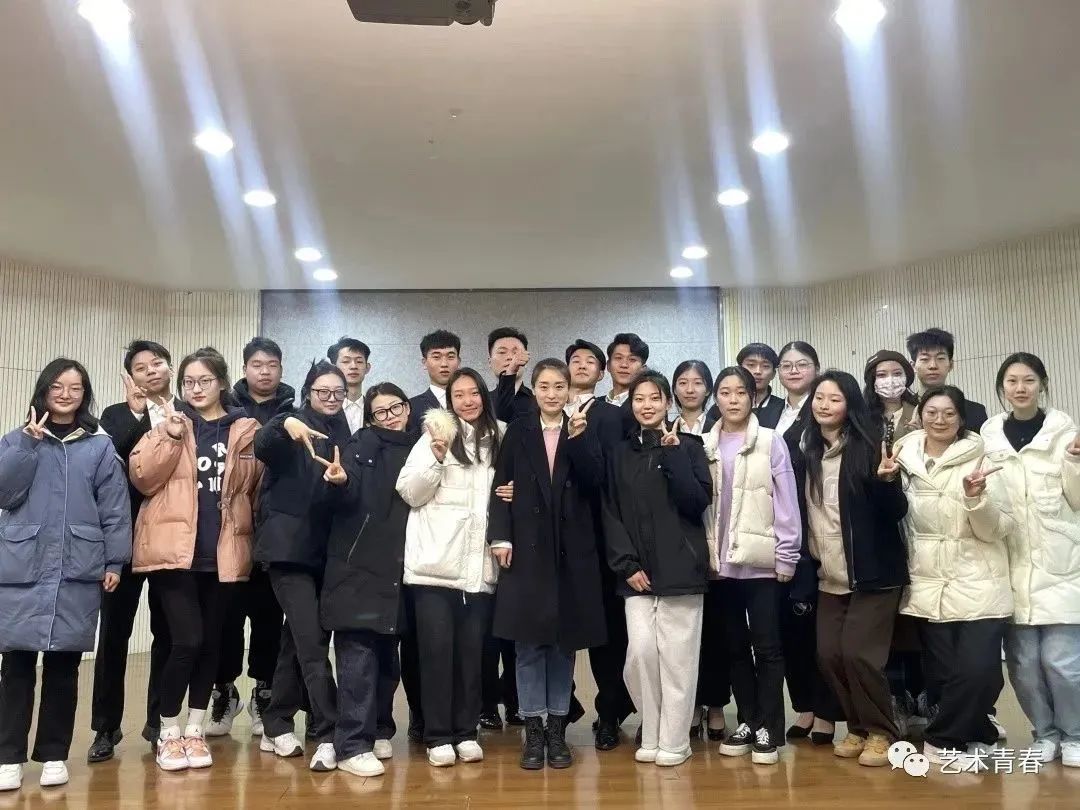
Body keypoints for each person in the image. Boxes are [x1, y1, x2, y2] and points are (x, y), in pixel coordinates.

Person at [129, 347, 263, 773]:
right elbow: (143, 478)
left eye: (204, 380)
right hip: (174, 555)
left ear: (221, 382)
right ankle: (168, 731)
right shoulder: (171, 424)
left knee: (210, 644)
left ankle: (195, 729)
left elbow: (255, 490)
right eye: (188, 382)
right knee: (185, 641)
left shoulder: (246, 430)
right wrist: (169, 436)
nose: (196, 388)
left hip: (223, 554)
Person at [0, 359, 131, 792]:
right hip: (24, 564)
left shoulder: (99, 445)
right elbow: (5, 493)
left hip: (78, 566)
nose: (65, 394)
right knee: (16, 665)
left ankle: (54, 753)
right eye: (57, 386)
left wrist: (114, 562)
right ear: (43, 389)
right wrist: (27, 445)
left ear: (85, 395)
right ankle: (7, 757)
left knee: (64, 665)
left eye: (75, 388)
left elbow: (115, 508)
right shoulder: (16, 440)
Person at [487, 359, 607, 770]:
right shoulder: (519, 429)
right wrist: (500, 536)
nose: (552, 394)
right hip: (527, 550)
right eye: (544, 386)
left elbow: (595, 482)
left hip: (572, 553)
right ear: (534, 390)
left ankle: (557, 728)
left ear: (570, 390)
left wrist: (579, 440)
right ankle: (533, 729)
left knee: (562, 646)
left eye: (559, 386)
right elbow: (500, 485)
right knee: (527, 645)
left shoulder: (582, 427)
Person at [790, 370, 908, 768]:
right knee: (828, 654)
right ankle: (858, 726)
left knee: (859, 654)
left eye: (835, 399)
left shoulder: (869, 447)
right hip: (830, 575)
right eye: (819, 398)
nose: (824, 405)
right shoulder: (807, 450)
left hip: (873, 574)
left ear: (850, 405)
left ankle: (882, 731)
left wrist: (887, 483)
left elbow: (896, 511)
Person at [892, 386, 1013, 766]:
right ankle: (978, 732)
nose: (940, 420)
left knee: (980, 670)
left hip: (979, 578)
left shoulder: (982, 458)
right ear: (919, 416)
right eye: (932, 412)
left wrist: (976, 498)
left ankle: (941, 740)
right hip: (929, 581)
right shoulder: (902, 458)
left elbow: (999, 528)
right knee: (942, 676)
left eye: (949, 413)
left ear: (961, 418)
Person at [396, 368, 505, 767]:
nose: (468, 401)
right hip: (435, 566)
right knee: (436, 654)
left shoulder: (501, 437)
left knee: (473, 656)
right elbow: (409, 492)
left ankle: (466, 731)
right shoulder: (434, 435)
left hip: (478, 567)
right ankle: (438, 735)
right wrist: (437, 459)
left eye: (474, 393)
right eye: (459, 395)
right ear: (449, 400)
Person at [602, 370, 712, 767]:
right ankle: (651, 731)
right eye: (639, 399)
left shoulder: (691, 447)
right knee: (641, 653)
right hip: (636, 574)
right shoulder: (619, 454)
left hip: (681, 569)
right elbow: (610, 512)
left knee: (678, 661)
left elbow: (696, 501)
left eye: (654, 398)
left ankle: (675, 740)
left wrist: (674, 454)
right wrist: (625, 564)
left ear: (668, 402)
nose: (647, 405)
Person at [981, 353, 1080, 767]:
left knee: (1061, 661)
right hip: (1010, 562)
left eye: (1029, 380)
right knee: (1022, 665)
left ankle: (1074, 734)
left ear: (1042, 384)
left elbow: (1077, 499)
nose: (1020, 388)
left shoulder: (1065, 433)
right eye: (1012, 381)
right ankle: (1044, 733)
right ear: (1002, 387)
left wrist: (1075, 462)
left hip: (1061, 562)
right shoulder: (989, 435)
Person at [255, 361, 352, 772]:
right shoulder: (291, 424)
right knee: (312, 643)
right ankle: (330, 733)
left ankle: (276, 722)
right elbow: (263, 444)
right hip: (288, 552)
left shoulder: (346, 433)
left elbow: (345, 496)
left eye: (337, 392)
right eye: (322, 391)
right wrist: (285, 424)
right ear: (308, 391)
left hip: (327, 554)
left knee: (296, 641)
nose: (330, 398)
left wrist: (343, 482)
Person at [321, 383, 418, 777]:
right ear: (371, 418)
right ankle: (351, 745)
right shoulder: (361, 444)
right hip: (358, 565)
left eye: (396, 407)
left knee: (387, 658)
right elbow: (345, 494)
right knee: (357, 659)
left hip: (400, 566)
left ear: (408, 408)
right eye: (381, 411)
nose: (390, 416)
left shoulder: (422, 445)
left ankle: (379, 728)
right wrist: (340, 481)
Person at [705, 367, 800, 766]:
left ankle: (770, 729)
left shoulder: (771, 441)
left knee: (768, 646)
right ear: (716, 398)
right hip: (720, 565)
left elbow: (786, 500)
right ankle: (747, 720)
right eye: (725, 392)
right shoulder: (705, 443)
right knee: (734, 648)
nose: (733, 399)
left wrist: (787, 554)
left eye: (740, 392)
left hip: (761, 562)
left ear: (752, 396)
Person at [88, 341, 175, 763]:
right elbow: (114, 460)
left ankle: (159, 723)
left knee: (167, 634)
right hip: (122, 541)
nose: (150, 371)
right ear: (131, 377)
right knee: (113, 636)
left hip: (169, 540)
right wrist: (138, 413)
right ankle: (105, 727)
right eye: (141, 367)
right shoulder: (114, 415)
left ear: (170, 368)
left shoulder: (186, 413)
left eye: (157, 363)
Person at [209, 337, 296, 740]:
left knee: (268, 618)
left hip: (273, 531)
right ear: (244, 368)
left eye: (272, 364)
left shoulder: (293, 411)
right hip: (230, 531)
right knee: (225, 618)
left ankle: (265, 691)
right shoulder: (225, 409)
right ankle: (224, 690)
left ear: (280, 369)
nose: (265, 371)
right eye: (257, 364)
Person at [564, 339, 636, 749]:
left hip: (599, 534)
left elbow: (614, 477)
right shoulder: (545, 412)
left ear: (602, 371)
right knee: (557, 628)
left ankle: (609, 712)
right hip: (555, 538)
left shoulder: (613, 415)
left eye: (590, 361)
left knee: (607, 633)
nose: (582, 366)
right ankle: (561, 707)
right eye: (575, 360)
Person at [773, 342, 839, 745]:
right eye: (787, 365)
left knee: (819, 632)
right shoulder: (769, 413)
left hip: (817, 533)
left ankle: (827, 712)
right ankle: (805, 707)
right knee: (789, 632)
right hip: (779, 536)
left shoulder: (823, 414)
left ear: (816, 368)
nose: (794, 371)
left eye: (802, 364)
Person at [482, 327, 530, 726]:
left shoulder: (535, 400)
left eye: (516, 351)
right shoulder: (480, 399)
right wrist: (504, 381)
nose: (510, 357)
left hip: (523, 520)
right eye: (502, 352)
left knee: (516, 617)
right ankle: (485, 704)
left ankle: (515, 699)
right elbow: (494, 421)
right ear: (490, 360)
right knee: (485, 625)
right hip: (482, 516)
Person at [906, 328, 989, 432]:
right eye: (925, 359)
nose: (933, 366)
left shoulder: (974, 411)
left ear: (951, 365)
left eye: (940, 358)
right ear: (913, 366)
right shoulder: (903, 409)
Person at [407, 330, 462, 432]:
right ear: (424, 363)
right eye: (436, 357)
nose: (444, 364)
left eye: (450, 357)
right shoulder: (411, 407)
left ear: (458, 362)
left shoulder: (474, 402)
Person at [863, 350, 920, 443]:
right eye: (881, 375)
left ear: (906, 377)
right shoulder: (861, 415)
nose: (891, 380)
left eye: (897, 374)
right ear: (872, 380)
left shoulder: (918, 412)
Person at [489, 326, 534, 424]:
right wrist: (509, 375)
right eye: (502, 352)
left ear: (526, 360)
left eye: (516, 353)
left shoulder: (538, 400)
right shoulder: (482, 401)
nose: (510, 357)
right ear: (490, 362)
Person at [328, 336, 372, 434]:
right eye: (346, 361)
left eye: (359, 361)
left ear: (367, 368)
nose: (353, 366)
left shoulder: (374, 409)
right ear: (334, 368)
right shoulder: (324, 409)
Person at [671, 360, 715, 436]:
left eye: (697, 383)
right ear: (675, 389)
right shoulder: (666, 432)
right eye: (683, 383)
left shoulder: (720, 430)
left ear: (708, 390)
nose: (690, 390)